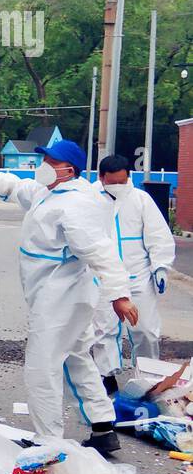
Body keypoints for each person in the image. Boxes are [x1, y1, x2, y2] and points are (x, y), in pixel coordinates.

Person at [0, 140, 138, 454]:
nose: (42, 164)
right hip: (58, 295)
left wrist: (119, 295)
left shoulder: (77, 205)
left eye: (50, 160)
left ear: (69, 169)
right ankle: (102, 426)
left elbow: (100, 252)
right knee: (77, 356)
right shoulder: (50, 192)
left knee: (42, 366)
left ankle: (49, 441)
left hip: (62, 298)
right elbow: (20, 187)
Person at [89, 154, 176, 391]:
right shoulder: (89, 200)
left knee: (146, 330)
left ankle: (148, 378)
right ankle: (106, 379)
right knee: (104, 330)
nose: (118, 186)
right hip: (103, 279)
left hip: (138, 278)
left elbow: (158, 235)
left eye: (122, 181)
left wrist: (160, 266)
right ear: (101, 178)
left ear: (129, 176)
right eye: (112, 182)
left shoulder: (140, 199)